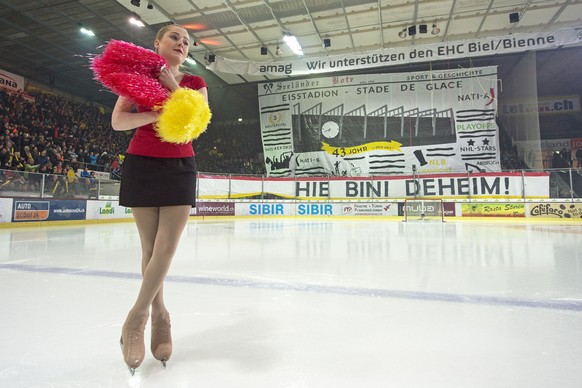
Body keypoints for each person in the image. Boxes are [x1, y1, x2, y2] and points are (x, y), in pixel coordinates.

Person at [110, 24, 208, 374]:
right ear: (157, 43)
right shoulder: (138, 77)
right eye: (175, 37)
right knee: (149, 250)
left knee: (166, 248)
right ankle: (161, 315)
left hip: (180, 165)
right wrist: (156, 113)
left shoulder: (195, 83)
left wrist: (172, 86)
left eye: (187, 41)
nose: (182, 43)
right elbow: (118, 122)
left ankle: (136, 319)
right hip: (141, 163)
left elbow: (197, 126)